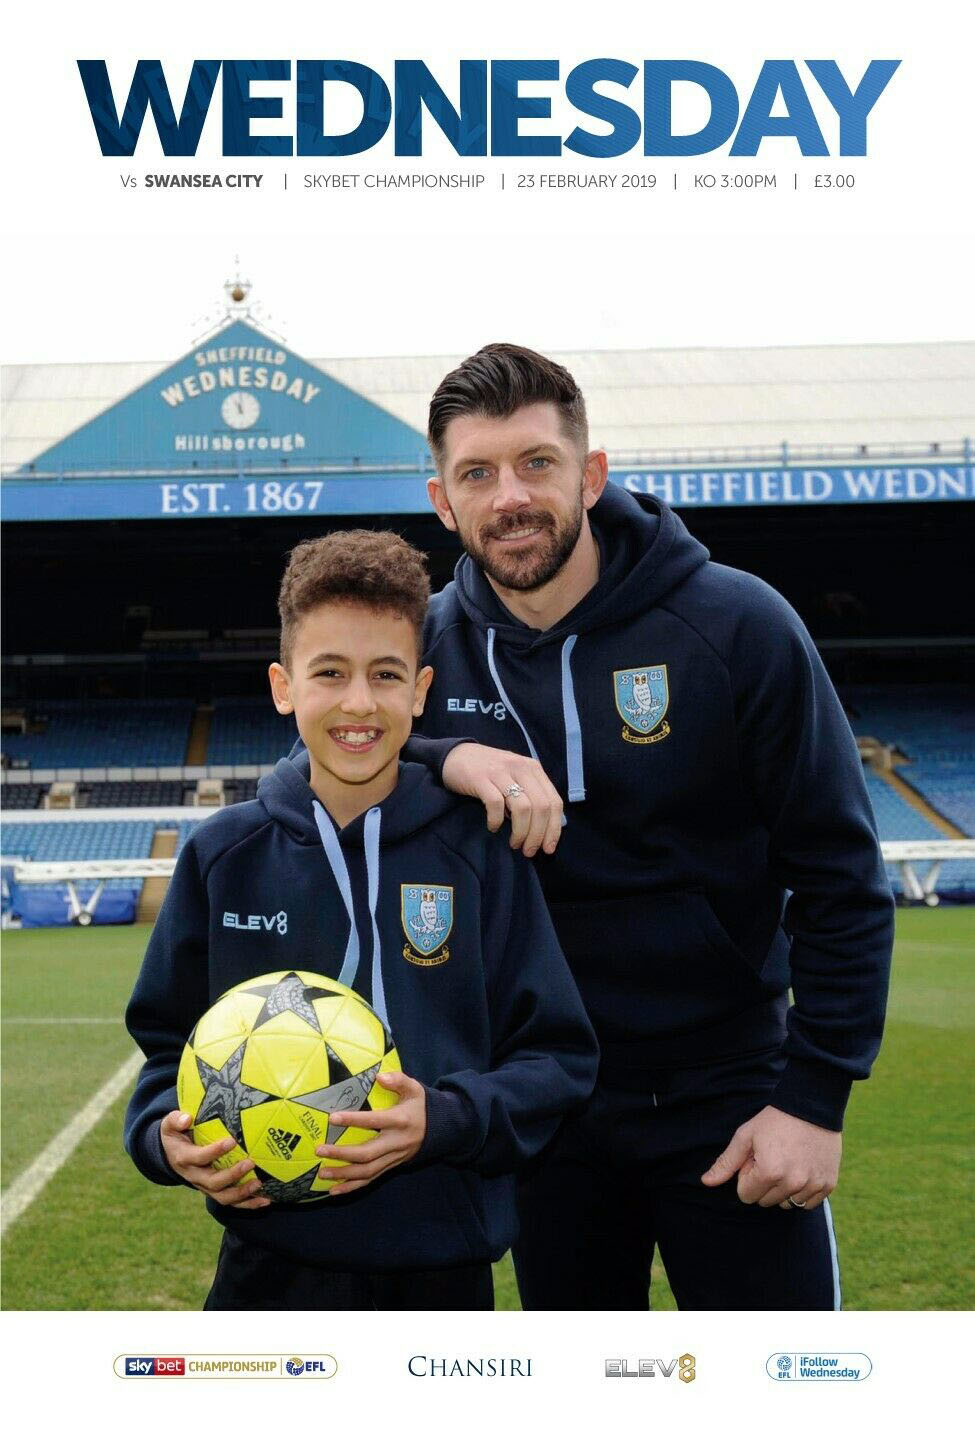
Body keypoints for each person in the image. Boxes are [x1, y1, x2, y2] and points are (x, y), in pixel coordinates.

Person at [406, 343, 895, 1310]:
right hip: (541, 1101)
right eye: (478, 473)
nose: (510, 496)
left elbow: (839, 870)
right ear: (442, 501)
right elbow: (307, 771)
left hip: (730, 1097)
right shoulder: (417, 650)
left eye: (537, 463)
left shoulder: (736, 623)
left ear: (590, 474)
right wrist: (441, 755)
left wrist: (813, 1098)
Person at [123, 528, 598, 1311]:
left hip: (441, 1265)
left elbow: (557, 1060)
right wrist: (160, 1140)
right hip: (266, 1267)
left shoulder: (480, 853)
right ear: (283, 686)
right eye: (329, 673)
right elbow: (161, 1053)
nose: (357, 703)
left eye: (385, 675)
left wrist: (442, 1120)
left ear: (420, 689)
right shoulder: (223, 854)